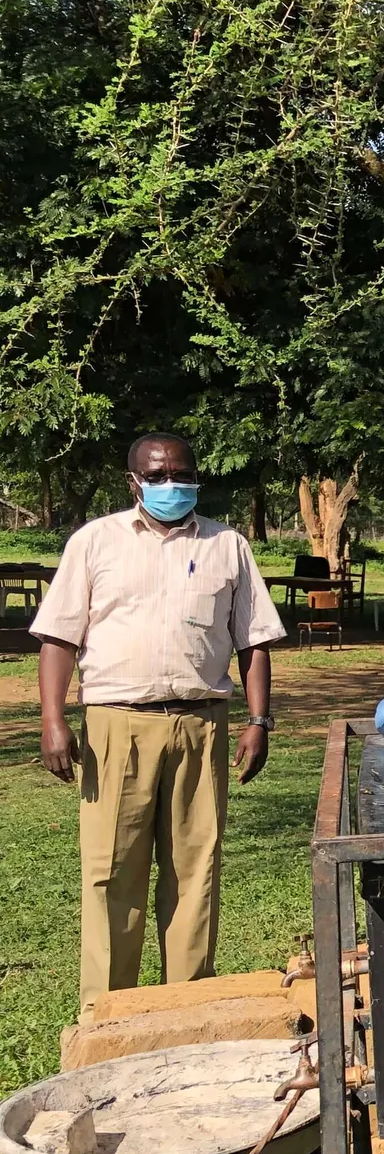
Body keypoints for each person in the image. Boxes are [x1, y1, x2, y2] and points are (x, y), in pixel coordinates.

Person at [32, 433, 288, 1016]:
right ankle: (107, 1018)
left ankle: (186, 1013)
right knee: (110, 873)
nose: (171, 483)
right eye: (158, 474)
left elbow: (254, 641)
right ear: (133, 481)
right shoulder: (95, 542)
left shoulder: (228, 546)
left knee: (195, 871)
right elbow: (58, 637)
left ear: (197, 475)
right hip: (115, 727)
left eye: (181, 472)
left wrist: (258, 720)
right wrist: (53, 719)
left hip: (202, 725)